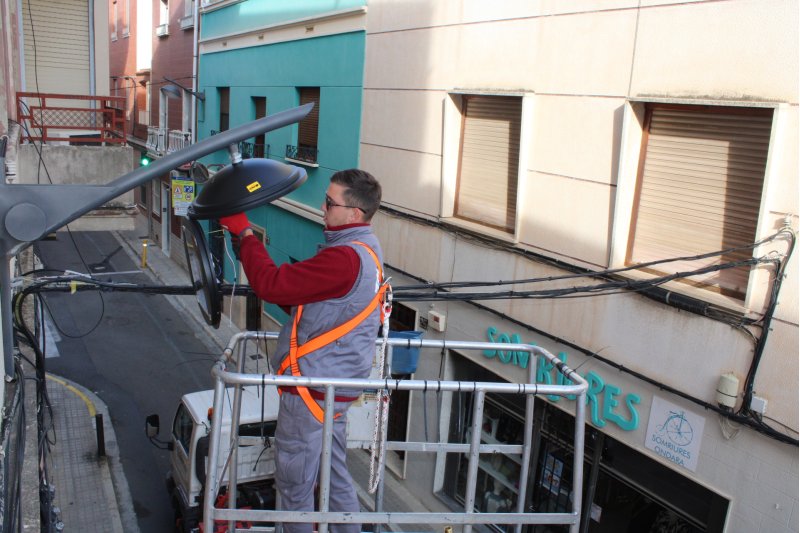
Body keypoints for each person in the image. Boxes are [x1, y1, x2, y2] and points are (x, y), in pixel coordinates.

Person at [219, 168, 384, 533]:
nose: (322, 208)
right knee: (334, 478)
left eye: (329, 202)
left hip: (310, 392)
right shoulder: (367, 249)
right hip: (332, 391)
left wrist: (245, 234)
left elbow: (272, 286)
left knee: (294, 488)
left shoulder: (344, 259)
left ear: (354, 213)